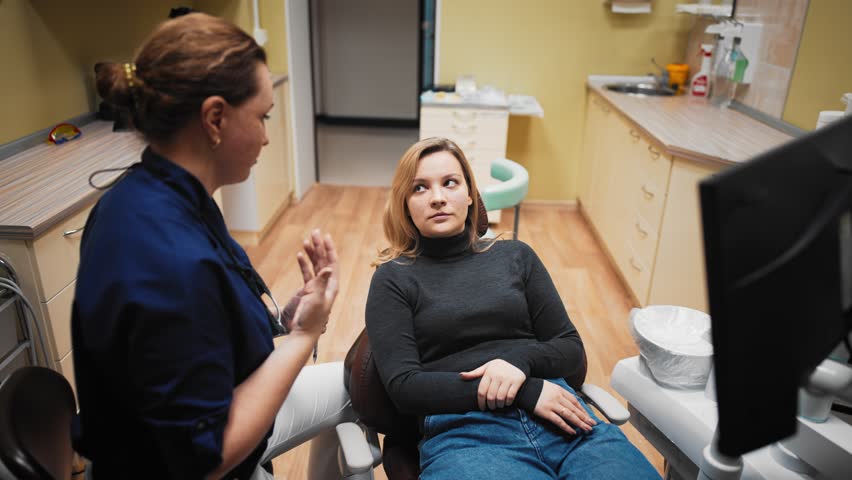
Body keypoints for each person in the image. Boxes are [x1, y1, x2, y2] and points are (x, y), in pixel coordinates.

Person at [73, 13, 348, 480]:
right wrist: (304, 337)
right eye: (262, 117)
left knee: (355, 381)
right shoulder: (169, 261)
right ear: (215, 117)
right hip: (189, 462)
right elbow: (206, 457)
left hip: (197, 421)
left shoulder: (157, 195)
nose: (265, 135)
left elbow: (198, 334)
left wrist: (281, 324)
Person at [365, 137, 661, 479]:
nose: (438, 197)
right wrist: (523, 390)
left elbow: (569, 348)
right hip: (467, 437)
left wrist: (519, 365)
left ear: (470, 195)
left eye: (450, 182)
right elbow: (405, 388)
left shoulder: (516, 256)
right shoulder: (393, 279)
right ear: (404, 204)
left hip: (563, 420)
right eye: (420, 188)